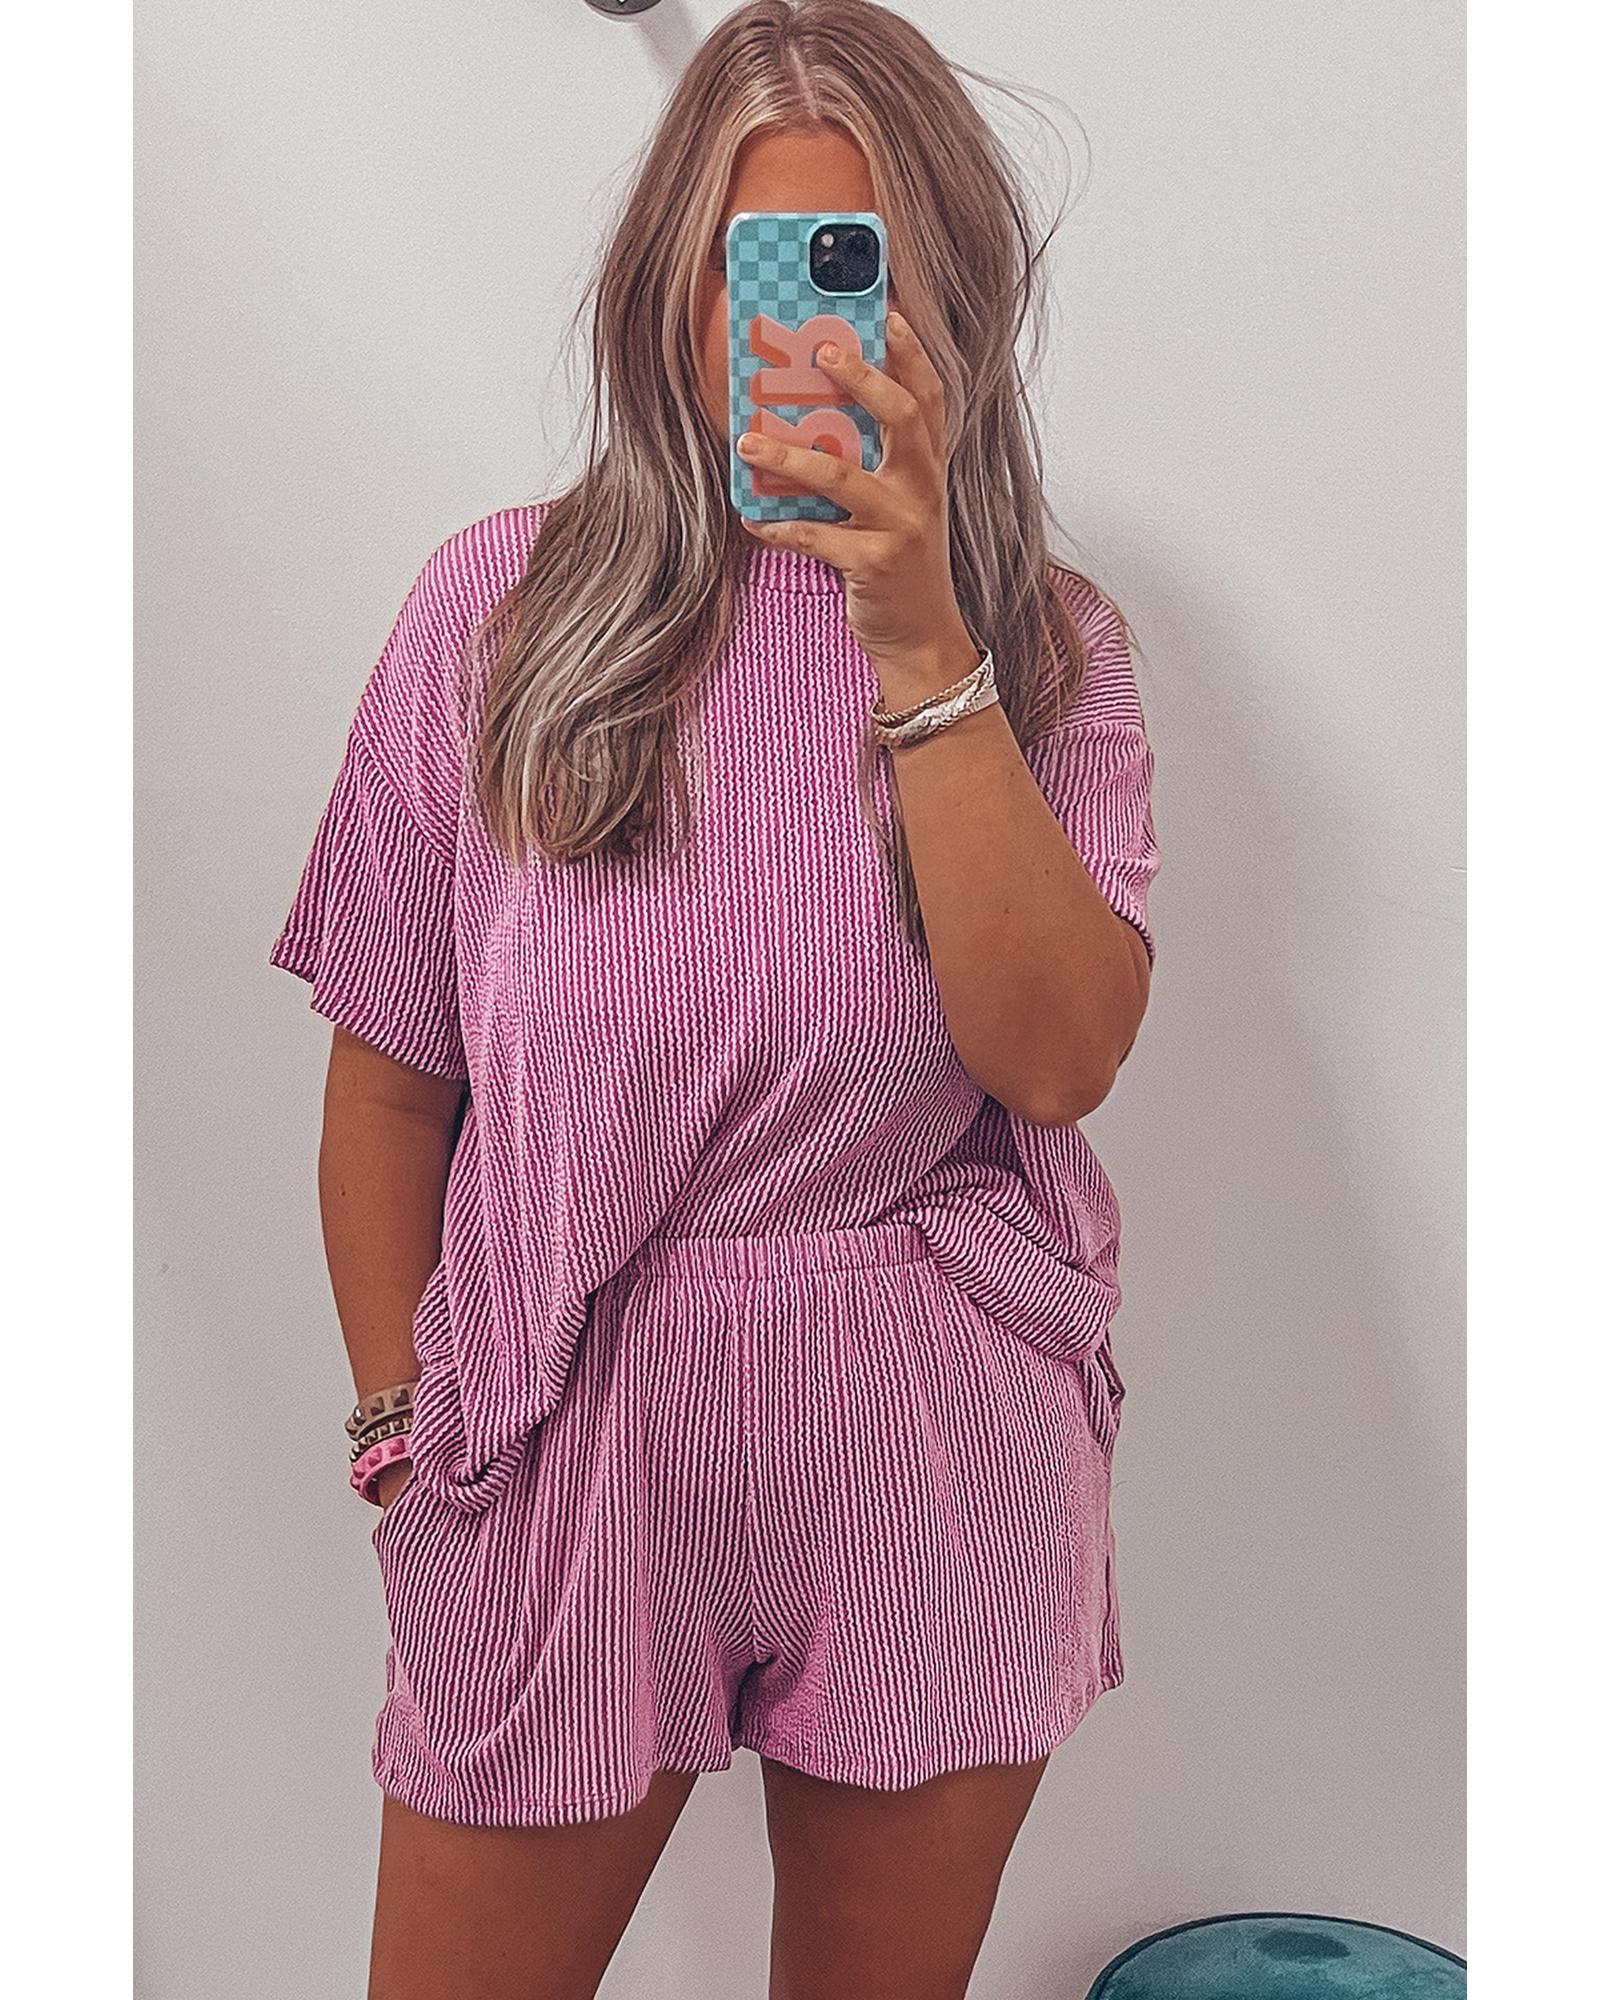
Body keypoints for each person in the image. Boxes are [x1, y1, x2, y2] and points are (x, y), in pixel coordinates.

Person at [269, 4, 1160, 1995]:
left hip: (930, 1420)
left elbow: (1058, 1056)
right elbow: (390, 1081)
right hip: (566, 1420)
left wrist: (917, 635)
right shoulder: (500, 614)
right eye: (760, 268)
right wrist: (402, 1433)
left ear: (949, 301)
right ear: (670, 281)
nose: (805, 337)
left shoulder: (1046, 648)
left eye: (858, 272)